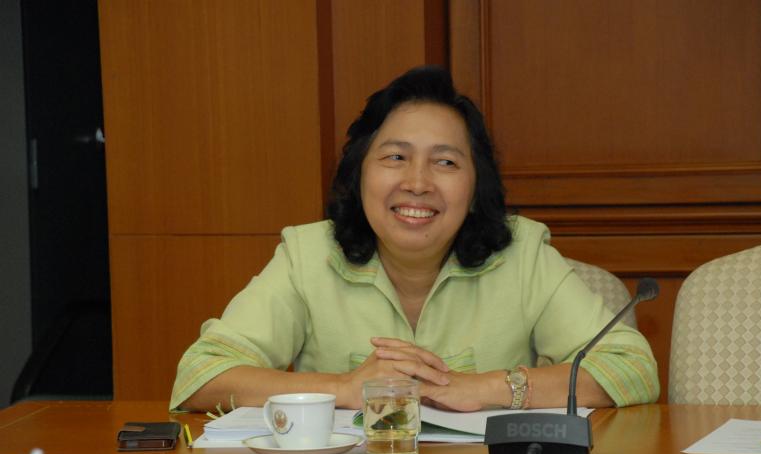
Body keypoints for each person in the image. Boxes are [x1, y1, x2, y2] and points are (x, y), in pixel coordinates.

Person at [170, 66, 659, 413]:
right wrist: (344, 388)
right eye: (395, 158)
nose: (418, 183)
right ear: (359, 174)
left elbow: (632, 368)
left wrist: (486, 388)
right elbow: (200, 377)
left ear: (475, 187)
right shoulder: (307, 255)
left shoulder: (523, 254)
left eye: (445, 162)